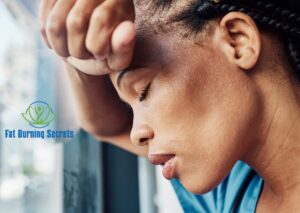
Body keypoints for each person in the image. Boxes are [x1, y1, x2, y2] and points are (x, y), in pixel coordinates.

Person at [40, 0, 300, 212]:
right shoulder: (233, 193)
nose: (135, 133)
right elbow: (105, 126)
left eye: (143, 91)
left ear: (238, 41)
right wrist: (74, 55)